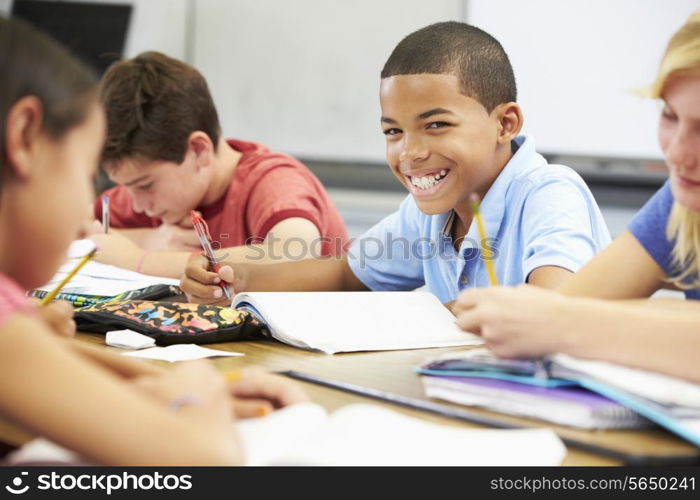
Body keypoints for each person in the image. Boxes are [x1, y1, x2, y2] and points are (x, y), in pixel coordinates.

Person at [0, 16, 306, 465]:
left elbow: (301, 248)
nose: (92, 201)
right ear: (24, 139)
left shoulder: (271, 179)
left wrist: (189, 393)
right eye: (86, 173)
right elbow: (206, 459)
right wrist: (195, 389)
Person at [181, 21, 611, 307]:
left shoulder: (550, 193)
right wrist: (237, 280)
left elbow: (552, 309)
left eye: (437, 124)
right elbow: (347, 275)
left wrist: (422, 319)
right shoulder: (431, 211)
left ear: (505, 123)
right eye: (393, 132)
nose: (409, 153)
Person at [453, 12, 700, 383]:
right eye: (669, 115)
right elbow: (567, 306)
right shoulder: (684, 200)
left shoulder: (549, 187)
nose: (677, 153)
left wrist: (558, 321)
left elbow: (559, 318)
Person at [89, 51, 348, 280]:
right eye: (125, 187)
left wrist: (140, 260)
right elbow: (67, 232)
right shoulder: (153, 189)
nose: (138, 205)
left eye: (145, 185)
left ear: (199, 150)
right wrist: (150, 240)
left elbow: (294, 254)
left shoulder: (274, 181)